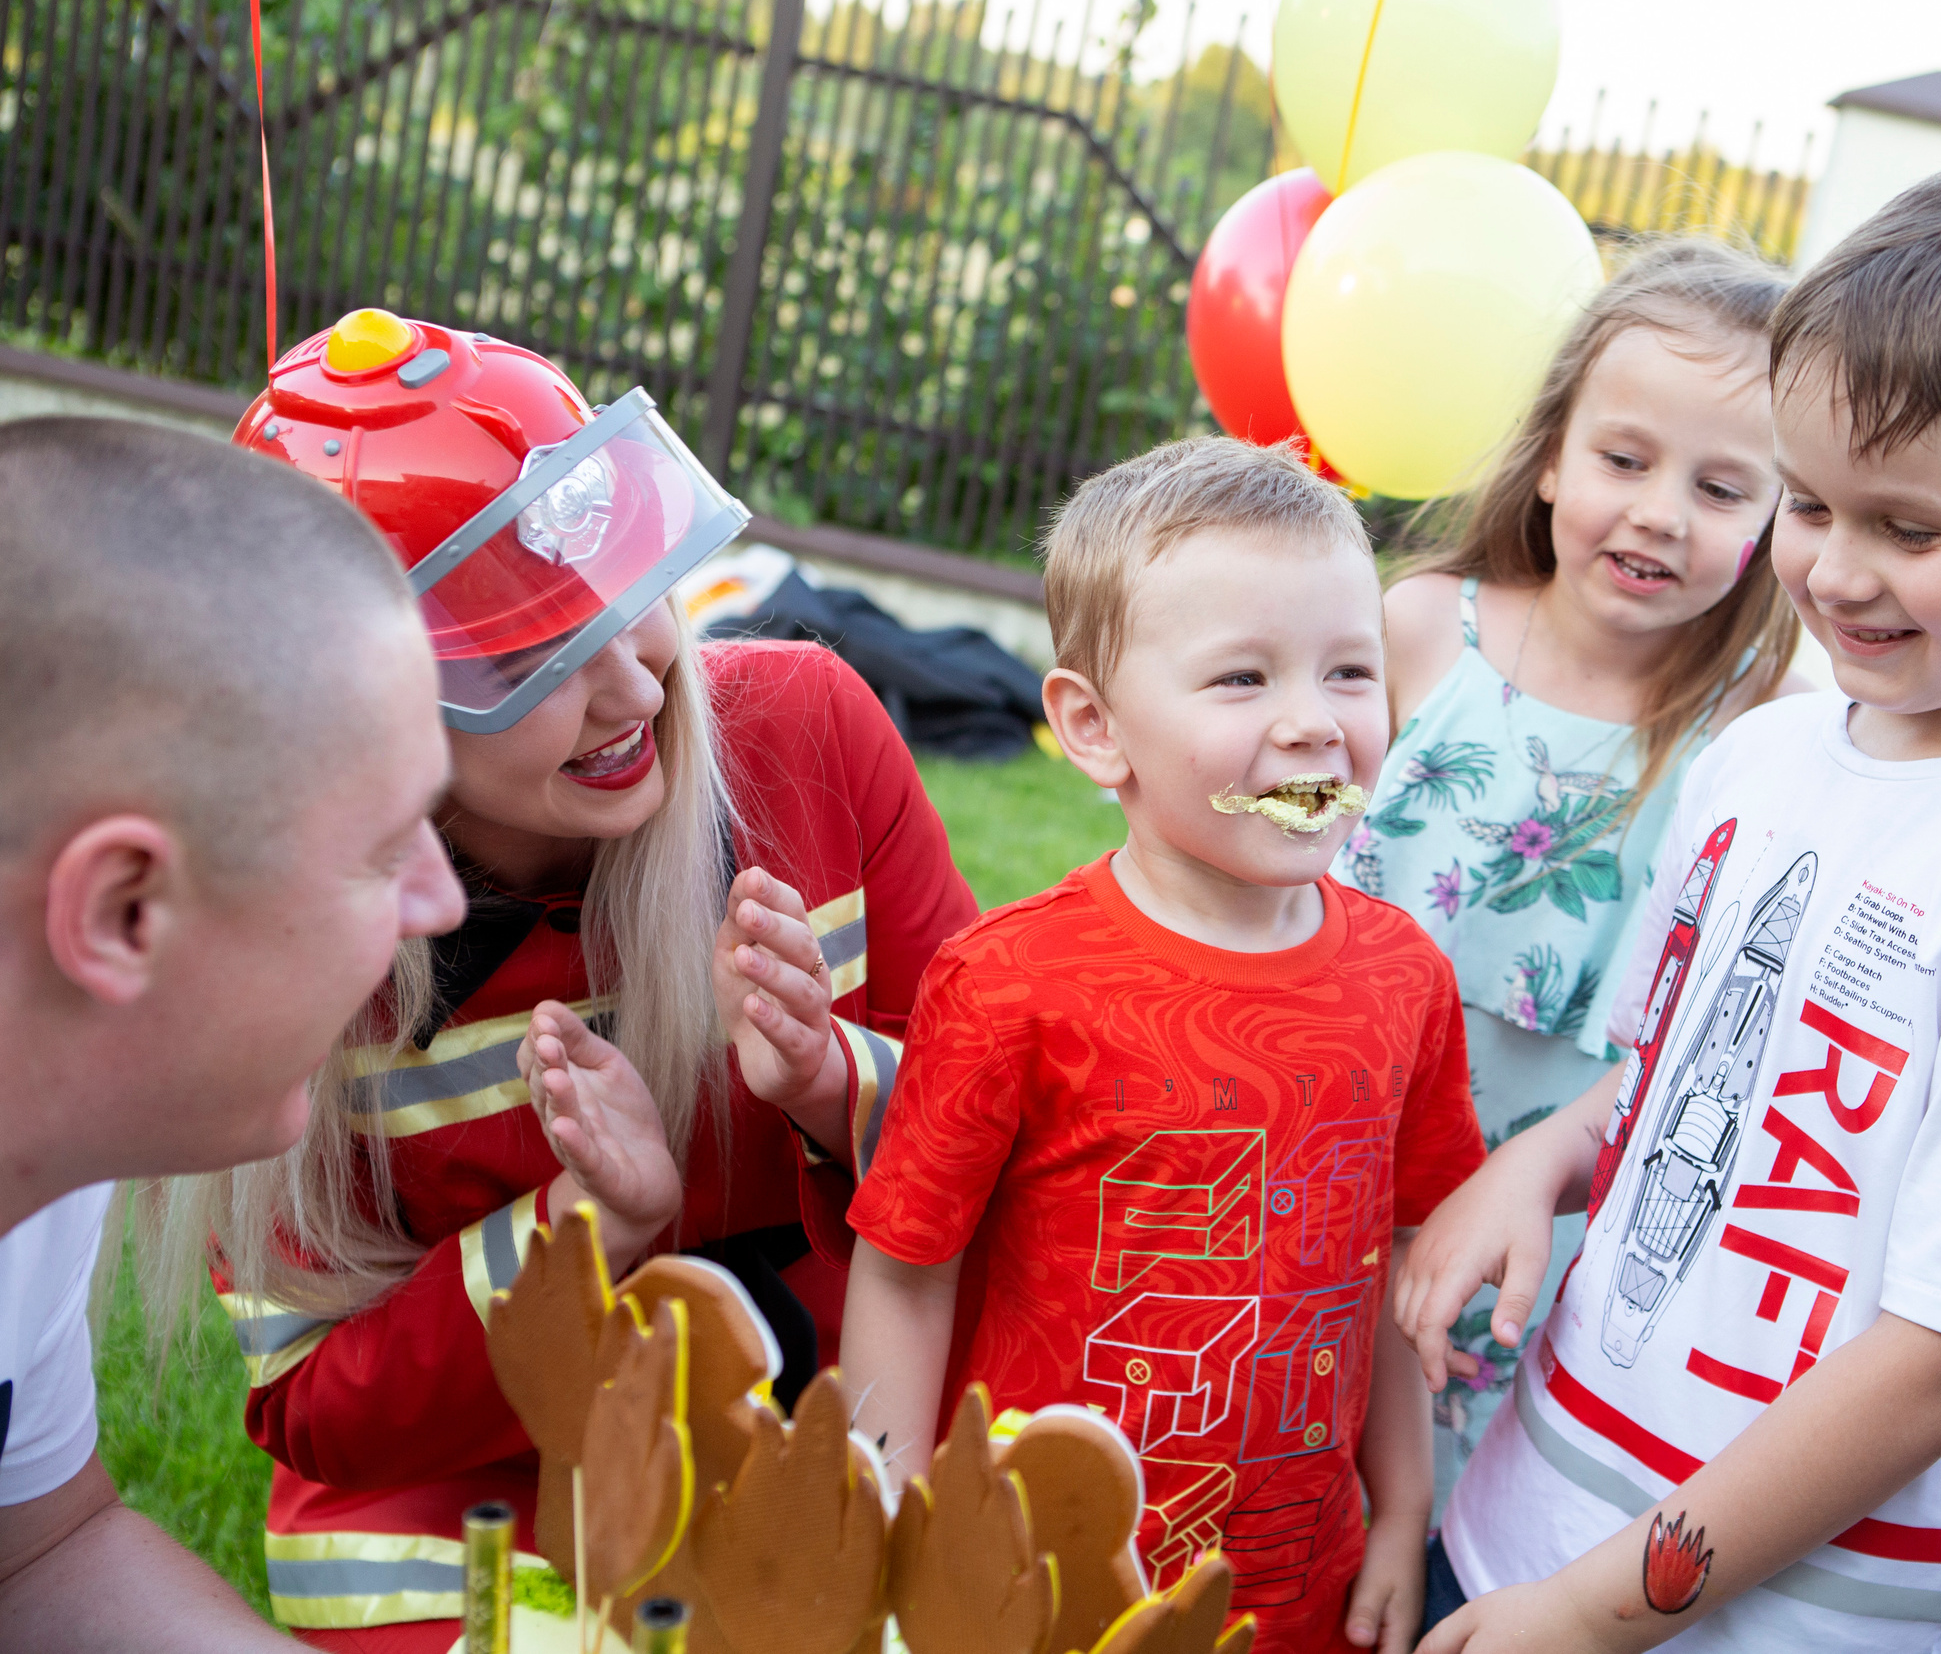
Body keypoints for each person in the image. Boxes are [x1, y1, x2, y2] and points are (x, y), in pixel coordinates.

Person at [1393, 157, 1941, 1652]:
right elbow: (1650, 1086)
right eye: (1813, 503)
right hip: (1512, 1528)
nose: (1835, 571)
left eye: (1909, 528)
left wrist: (1590, 1611)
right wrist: (1542, 1165)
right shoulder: (1761, 756)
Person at [133, 310, 978, 1651]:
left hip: (832, 1436)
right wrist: (587, 1224)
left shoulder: (811, 730)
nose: (639, 678)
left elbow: (1012, 1155)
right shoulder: (288, 941)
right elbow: (321, 1406)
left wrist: (834, 1083)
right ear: (349, 706)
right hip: (475, 1513)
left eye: (632, 593)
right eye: (527, 654)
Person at [841, 436, 1489, 1654]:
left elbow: (1397, 1268)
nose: (1312, 725)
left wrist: (1403, 1510)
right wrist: (888, 1533)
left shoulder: (1407, 979)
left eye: (1349, 671)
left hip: (1306, 1593)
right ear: (1094, 728)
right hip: (1031, 1590)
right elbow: (905, 1269)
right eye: (1242, 680)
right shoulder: (1009, 982)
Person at [1336, 239, 1802, 1504]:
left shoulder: (1757, 740)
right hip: (1325, 1149)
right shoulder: (1424, 630)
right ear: (1551, 456)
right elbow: (1280, 849)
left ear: (1779, 517)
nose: (1659, 511)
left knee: (1426, 1520)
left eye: (1721, 488)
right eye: (1625, 460)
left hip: (1538, 1226)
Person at [0, 417, 466, 1649]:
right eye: (382, 852)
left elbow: (37, 1549)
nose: (443, 902)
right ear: (124, 912)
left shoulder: (36, 1165)